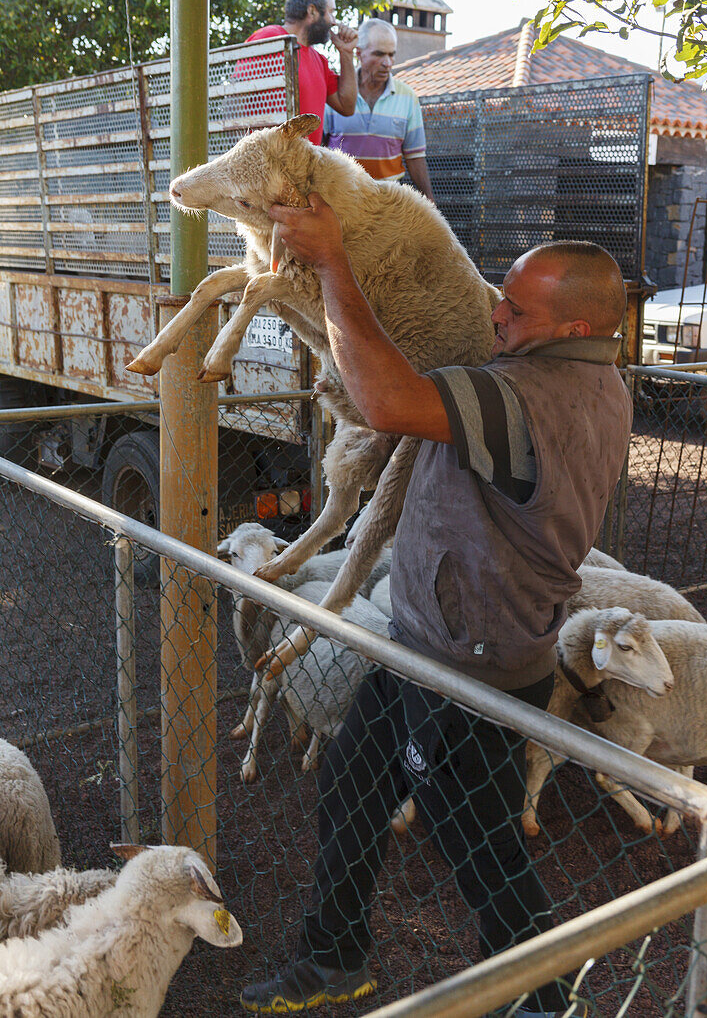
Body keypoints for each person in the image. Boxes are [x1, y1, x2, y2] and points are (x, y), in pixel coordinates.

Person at [240, 196, 632, 1018]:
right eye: (500, 293)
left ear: (567, 329)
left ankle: (545, 999)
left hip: (465, 667)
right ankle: (332, 956)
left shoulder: (523, 396)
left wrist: (336, 265)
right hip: (428, 646)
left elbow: (385, 402)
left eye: (514, 310)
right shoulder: (599, 383)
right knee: (351, 788)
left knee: (483, 849)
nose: (494, 314)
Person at [234, 0, 357, 146]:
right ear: (312, 11)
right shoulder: (270, 38)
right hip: (266, 166)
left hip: (301, 169)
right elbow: (236, 97)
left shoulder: (320, 61)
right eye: (330, 12)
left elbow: (347, 107)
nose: (334, 21)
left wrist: (346, 53)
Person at [323, 18, 435, 200]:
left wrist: (430, 203)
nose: (388, 63)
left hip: (387, 204)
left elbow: (415, 156)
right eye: (379, 54)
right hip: (341, 202)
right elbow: (317, 147)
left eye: (391, 55)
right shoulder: (334, 95)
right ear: (359, 53)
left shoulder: (407, 97)